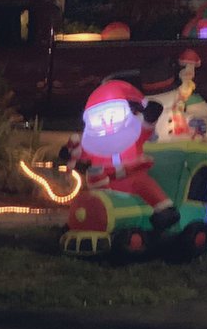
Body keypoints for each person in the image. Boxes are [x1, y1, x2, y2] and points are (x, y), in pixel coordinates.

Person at [62, 80, 177, 231]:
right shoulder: (94, 144)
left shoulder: (133, 133)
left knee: (144, 184)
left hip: (132, 175)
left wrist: (150, 116)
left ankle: (164, 209)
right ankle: (79, 221)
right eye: (99, 118)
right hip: (104, 180)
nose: (107, 123)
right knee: (92, 198)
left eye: (111, 115)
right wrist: (67, 153)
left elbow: (145, 129)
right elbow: (81, 154)